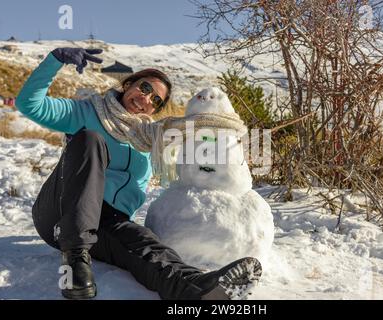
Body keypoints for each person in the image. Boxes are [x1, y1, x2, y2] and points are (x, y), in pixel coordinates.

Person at [16, 47, 262, 300]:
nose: (146, 100)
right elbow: (29, 104)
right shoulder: (85, 112)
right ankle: (75, 259)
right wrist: (54, 61)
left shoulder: (149, 139)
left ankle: (197, 290)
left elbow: (195, 134)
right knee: (90, 139)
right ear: (129, 84)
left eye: (155, 100)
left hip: (107, 220)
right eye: (145, 88)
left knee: (145, 245)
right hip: (60, 212)